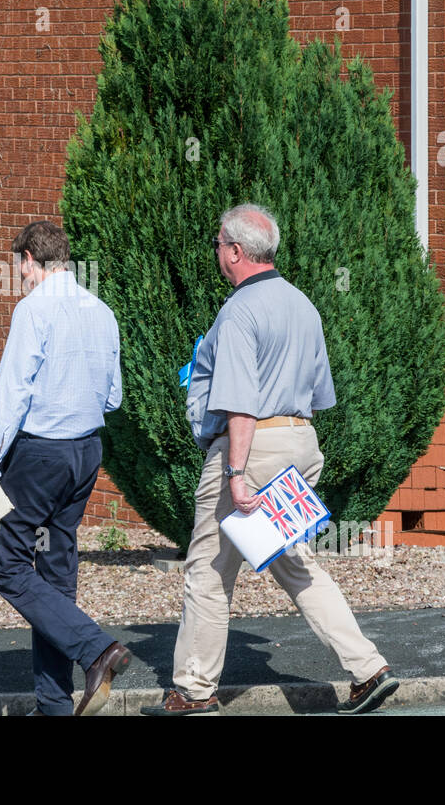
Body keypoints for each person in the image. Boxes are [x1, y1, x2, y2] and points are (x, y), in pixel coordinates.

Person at [141, 204, 399, 716]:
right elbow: (318, 393)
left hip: (251, 448)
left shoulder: (238, 311)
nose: (216, 252)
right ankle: (368, 668)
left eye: (218, 245)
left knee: (209, 571)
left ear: (236, 252)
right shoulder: (303, 305)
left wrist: (235, 474)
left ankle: (193, 691)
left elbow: (240, 402)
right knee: (295, 564)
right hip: (300, 442)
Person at [0, 220, 131, 716]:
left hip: (39, 454)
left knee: (6, 564)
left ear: (29, 260)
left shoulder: (32, 310)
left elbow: (11, 394)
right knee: (56, 571)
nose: (20, 276)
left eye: (19, 266)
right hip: (86, 452)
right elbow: (113, 397)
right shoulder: (102, 310)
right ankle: (53, 704)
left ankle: (95, 649)